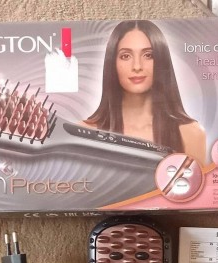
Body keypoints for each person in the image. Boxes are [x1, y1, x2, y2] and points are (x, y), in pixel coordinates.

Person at [84, 20, 206, 166]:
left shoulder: (190, 133)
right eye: (126, 56)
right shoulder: (85, 132)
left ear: (161, 60)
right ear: (112, 63)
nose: (137, 66)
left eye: (148, 55)